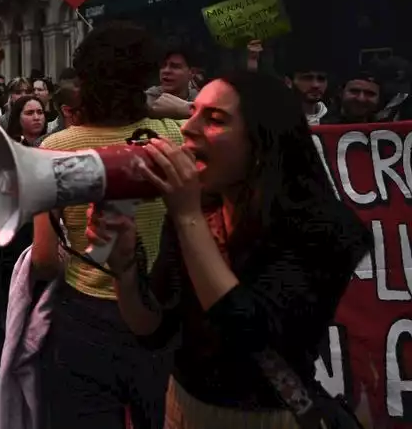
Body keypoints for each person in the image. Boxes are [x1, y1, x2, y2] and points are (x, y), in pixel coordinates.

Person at [90, 71, 370, 426]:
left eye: (215, 120)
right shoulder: (199, 209)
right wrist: (125, 268)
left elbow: (246, 331)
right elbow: (153, 330)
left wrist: (187, 215)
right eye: (193, 113)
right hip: (184, 409)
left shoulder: (323, 228)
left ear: (262, 141)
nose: (189, 128)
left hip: (267, 417)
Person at [34, 21, 182, 429]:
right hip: (162, 308)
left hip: (84, 315)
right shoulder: (176, 138)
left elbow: (44, 262)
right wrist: (186, 110)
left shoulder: (55, 148)